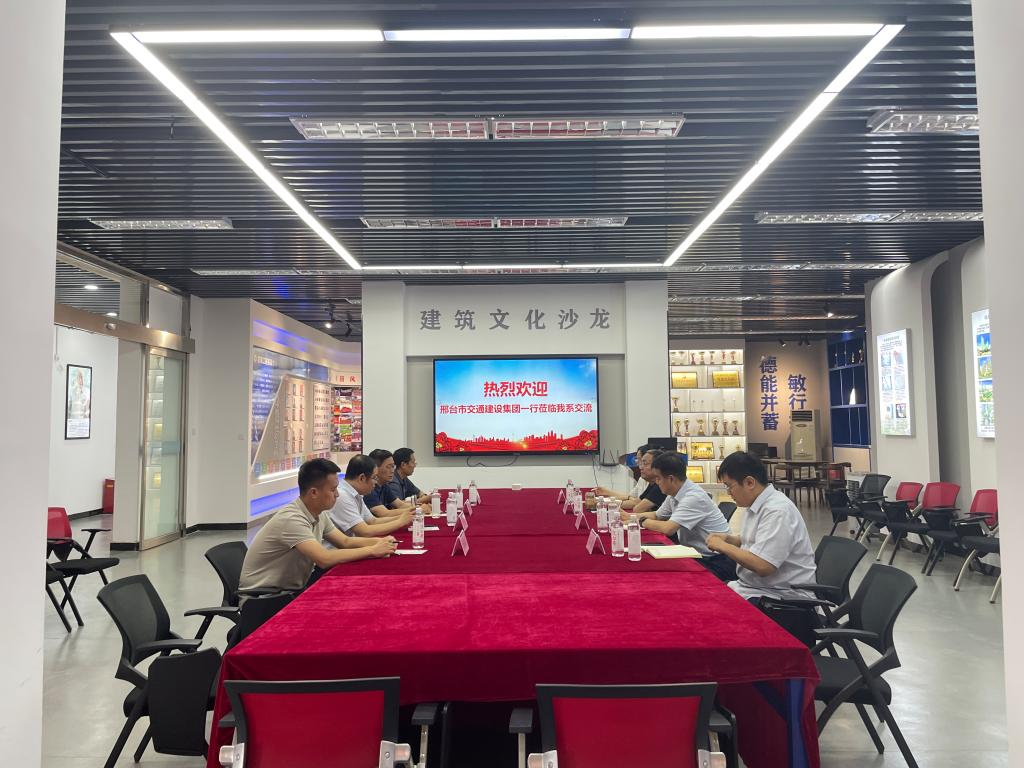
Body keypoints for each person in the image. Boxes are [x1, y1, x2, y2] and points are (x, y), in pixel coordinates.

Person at [239, 458, 396, 592]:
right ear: (313, 492)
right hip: (264, 599)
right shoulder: (292, 519)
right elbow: (324, 558)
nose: (337, 494)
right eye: (333, 490)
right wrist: (372, 550)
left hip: (290, 590)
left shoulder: (319, 513)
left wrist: (381, 542)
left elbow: (345, 541)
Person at [706, 451, 816, 601]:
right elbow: (752, 540)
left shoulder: (777, 510)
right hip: (754, 588)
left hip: (782, 598)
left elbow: (763, 565)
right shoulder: (756, 504)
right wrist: (728, 539)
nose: (729, 492)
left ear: (750, 483)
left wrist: (723, 546)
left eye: (729, 486)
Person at [624, 451, 735, 581]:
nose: (657, 482)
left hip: (716, 560)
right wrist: (629, 518)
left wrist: (641, 521)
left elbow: (668, 528)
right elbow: (657, 515)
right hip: (695, 554)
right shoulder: (674, 492)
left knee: (662, 575)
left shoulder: (693, 497)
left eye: (658, 478)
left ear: (671, 479)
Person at [329, 454, 413, 537]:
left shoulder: (356, 493)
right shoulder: (342, 496)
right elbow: (364, 531)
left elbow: (372, 521)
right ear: (362, 478)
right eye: (374, 478)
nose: (376, 482)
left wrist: (403, 517)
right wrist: (400, 522)